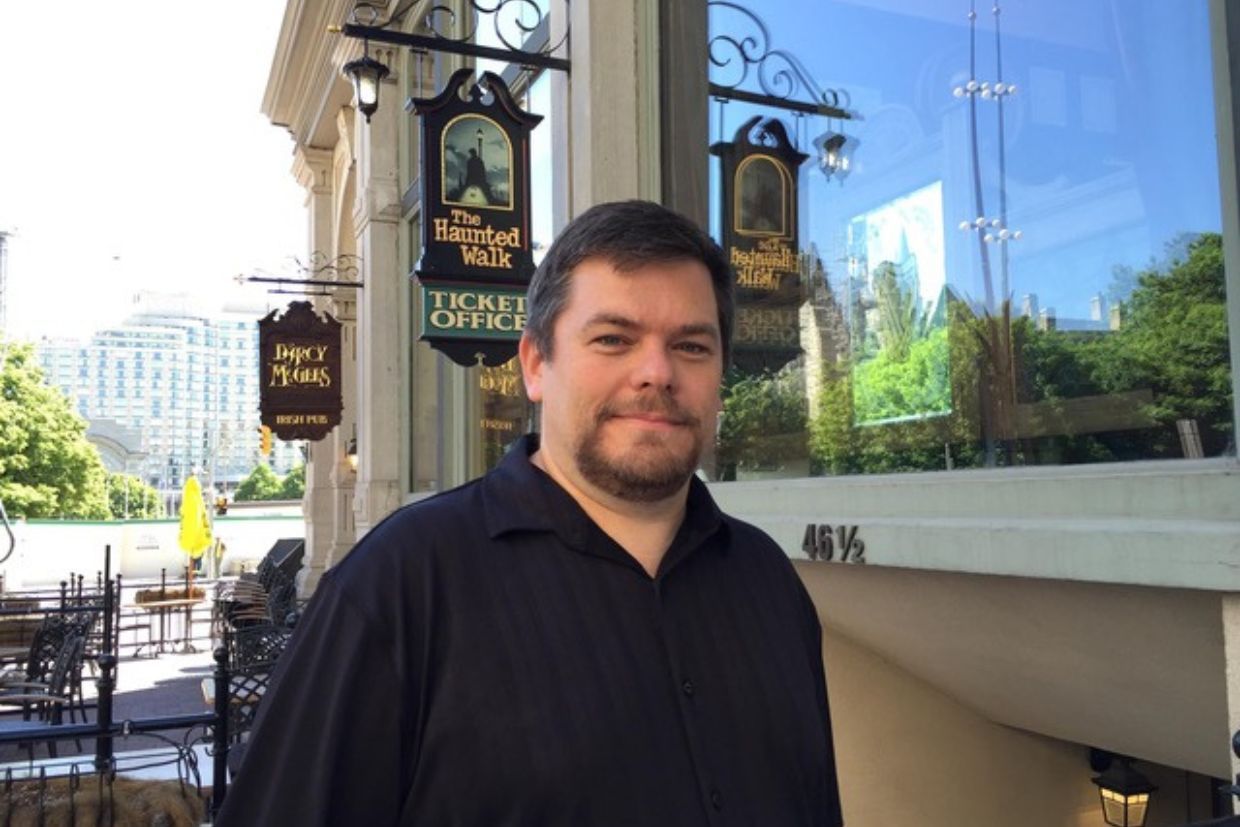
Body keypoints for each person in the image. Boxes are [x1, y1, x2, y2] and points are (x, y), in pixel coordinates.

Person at [217, 200, 844, 826]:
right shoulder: (402, 586)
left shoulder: (769, 581)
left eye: (691, 346)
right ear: (536, 364)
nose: (657, 372)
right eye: (613, 339)